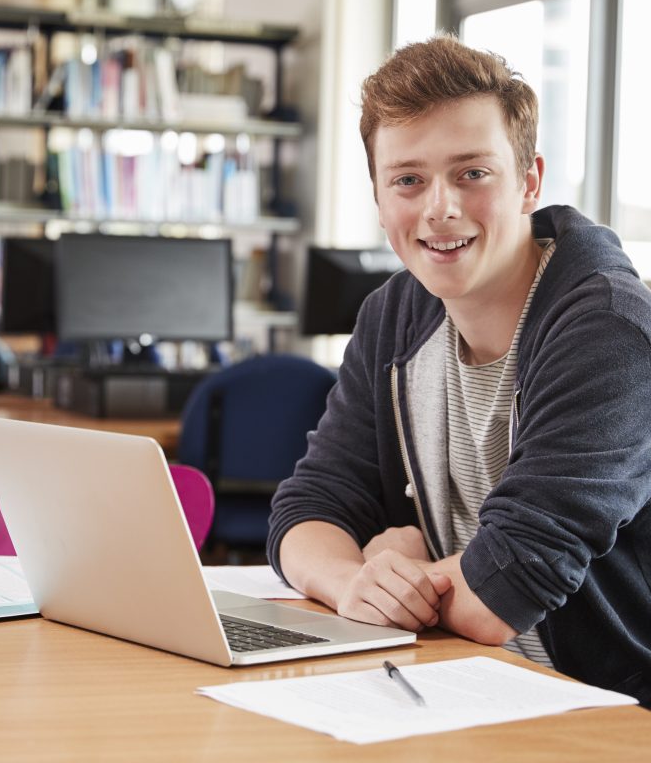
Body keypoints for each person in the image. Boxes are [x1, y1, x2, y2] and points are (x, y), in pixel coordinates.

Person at [266, 34, 651, 707]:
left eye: (472, 173)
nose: (439, 207)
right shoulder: (395, 315)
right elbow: (308, 510)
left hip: (602, 710)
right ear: (381, 199)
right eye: (408, 180)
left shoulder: (610, 329)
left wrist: (406, 568)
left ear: (529, 181)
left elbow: (505, 591)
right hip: (460, 684)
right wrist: (357, 581)